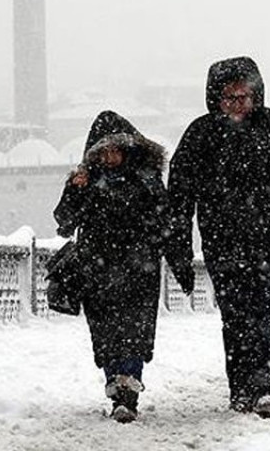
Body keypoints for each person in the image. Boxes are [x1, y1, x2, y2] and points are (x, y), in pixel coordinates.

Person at [168, 56, 270, 419]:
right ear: (216, 98)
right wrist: (178, 245)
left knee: (265, 311)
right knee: (235, 314)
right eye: (230, 98)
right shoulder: (201, 135)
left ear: (256, 96)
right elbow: (179, 196)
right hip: (222, 241)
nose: (238, 105)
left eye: (244, 97)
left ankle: (265, 387)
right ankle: (240, 388)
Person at [53, 110, 195, 424]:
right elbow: (64, 223)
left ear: (129, 148)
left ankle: (127, 391)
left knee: (135, 331)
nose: (110, 156)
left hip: (139, 270)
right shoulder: (87, 182)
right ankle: (116, 386)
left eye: (116, 148)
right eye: (103, 151)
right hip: (98, 271)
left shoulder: (147, 180)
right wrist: (75, 189)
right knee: (105, 334)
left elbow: (167, 225)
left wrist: (181, 264)